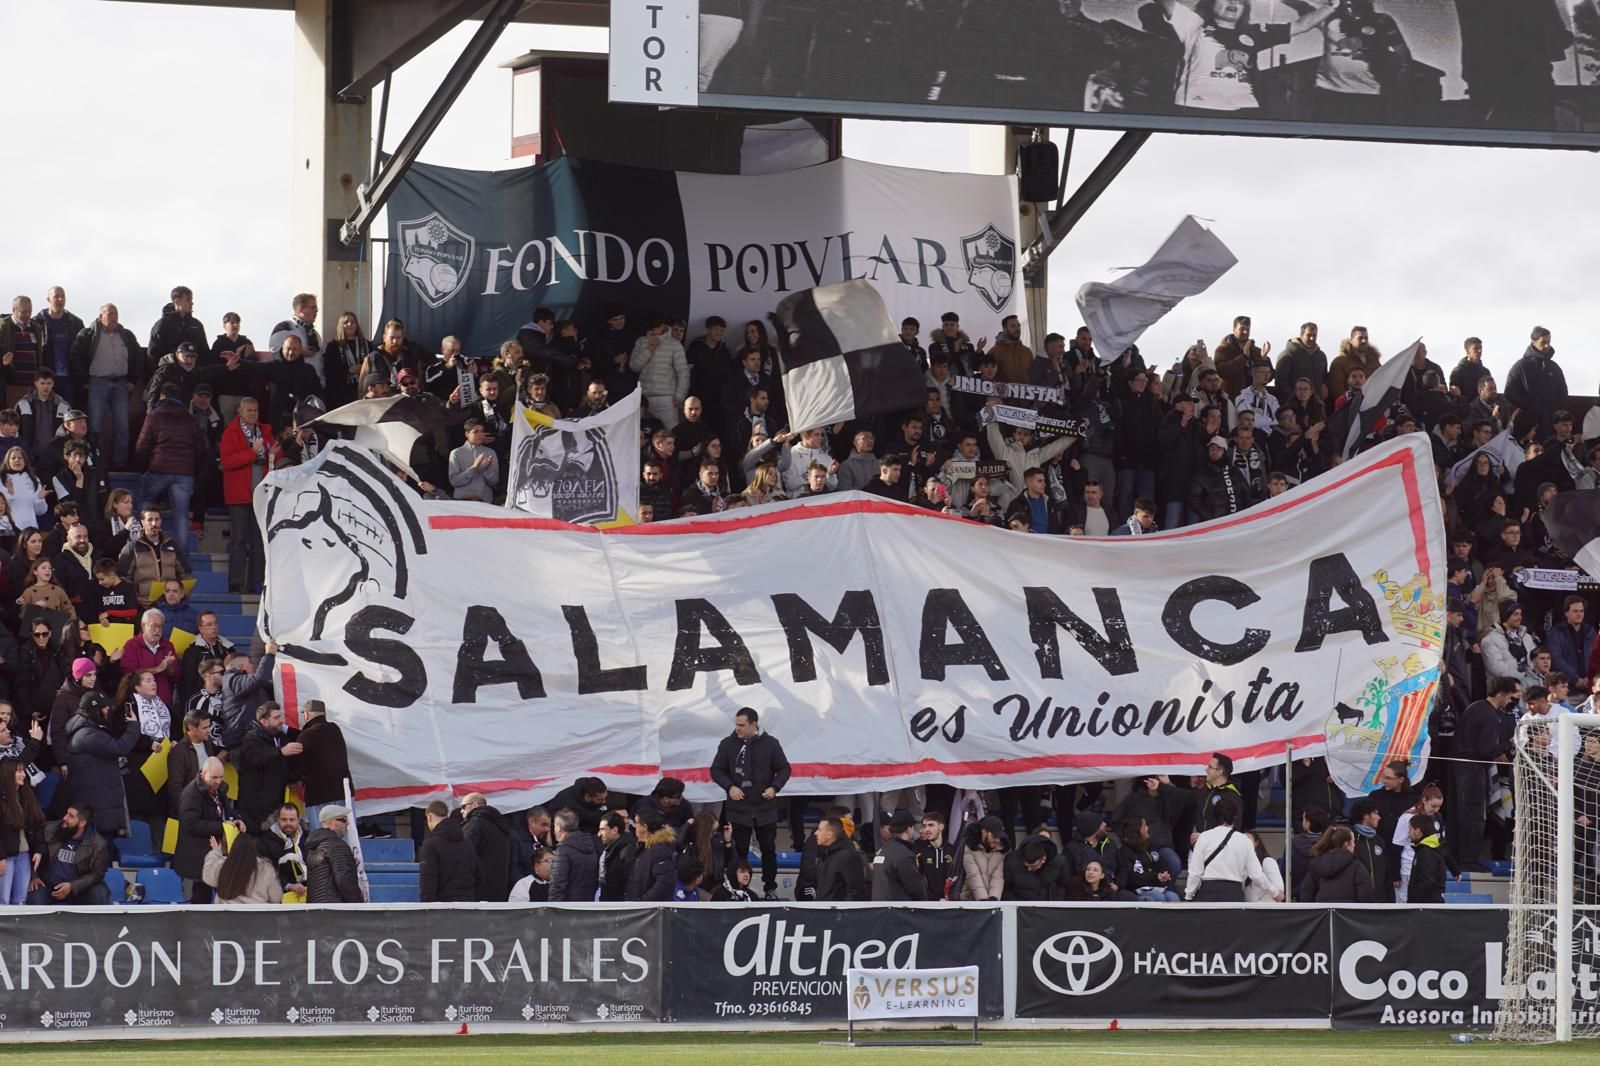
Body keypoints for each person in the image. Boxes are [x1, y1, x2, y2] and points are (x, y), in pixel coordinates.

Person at [709, 707, 790, 900]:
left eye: (742, 725)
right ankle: (737, 889)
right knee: (739, 852)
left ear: (754, 724)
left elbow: (785, 768)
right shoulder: (727, 744)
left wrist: (775, 787)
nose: (738, 729)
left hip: (765, 808)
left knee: (769, 851)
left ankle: (770, 888)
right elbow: (716, 770)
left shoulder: (770, 744)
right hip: (739, 809)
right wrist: (730, 787)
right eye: (736, 725)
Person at [1453, 676, 1519, 871]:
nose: (1509, 702)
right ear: (1500, 694)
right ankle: (1468, 860)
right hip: (1472, 771)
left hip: (1462, 769)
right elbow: (1487, 750)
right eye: (1508, 697)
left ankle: (1464, 857)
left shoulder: (1475, 707)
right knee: (1474, 815)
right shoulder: (1489, 715)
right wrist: (1510, 742)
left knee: (1466, 813)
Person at [218, 396, 277, 594]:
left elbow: (274, 455)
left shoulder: (264, 431)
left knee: (258, 540)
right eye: (249, 410)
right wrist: (252, 452)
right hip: (239, 494)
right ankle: (235, 583)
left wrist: (275, 453)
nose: (253, 414)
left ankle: (256, 583)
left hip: (260, 492)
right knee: (239, 539)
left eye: (255, 410)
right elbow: (227, 462)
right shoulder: (231, 432)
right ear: (240, 413)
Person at [64, 690, 140, 838]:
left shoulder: (89, 731)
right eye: (104, 708)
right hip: (98, 807)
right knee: (101, 853)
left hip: (100, 803)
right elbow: (120, 748)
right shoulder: (88, 734)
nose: (108, 711)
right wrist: (133, 726)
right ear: (94, 710)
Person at [175, 756, 240, 904]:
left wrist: (236, 819)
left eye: (221, 777)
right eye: (214, 777)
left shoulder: (218, 788)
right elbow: (191, 824)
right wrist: (222, 827)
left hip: (214, 851)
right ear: (203, 774)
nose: (218, 781)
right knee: (201, 897)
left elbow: (225, 811)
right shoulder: (191, 794)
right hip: (197, 855)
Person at [1185, 795, 1274, 901]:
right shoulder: (1244, 840)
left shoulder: (1204, 837)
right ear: (1235, 817)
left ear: (1214, 816)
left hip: (1208, 894)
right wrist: (1274, 892)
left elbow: (1195, 872)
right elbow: (1256, 874)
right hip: (1233, 894)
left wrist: (1188, 896)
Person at [27, 802, 112, 905]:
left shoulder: (98, 844)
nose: (65, 818)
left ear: (82, 823)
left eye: (71, 816)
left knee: (100, 893)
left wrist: (72, 886)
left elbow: (97, 874)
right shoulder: (49, 829)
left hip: (80, 889)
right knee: (35, 895)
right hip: (48, 885)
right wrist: (34, 876)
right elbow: (32, 851)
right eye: (66, 813)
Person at [236, 701, 302, 833]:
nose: (281, 721)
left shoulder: (282, 738)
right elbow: (255, 758)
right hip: (255, 805)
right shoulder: (251, 738)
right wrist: (280, 751)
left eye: (281, 717)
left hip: (275, 803)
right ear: (264, 722)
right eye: (276, 718)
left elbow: (283, 766)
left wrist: (294, 780)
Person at [296, 700, 351, 829]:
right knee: (344, 836)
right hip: (342, 793)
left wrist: (294, 780)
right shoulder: (335, 729)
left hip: (318, 794)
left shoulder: (306, 735)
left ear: (307, 715)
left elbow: (298, 765)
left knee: (322, 839)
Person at [0, 757, 45, 905]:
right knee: (3, 900)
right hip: (5, 855)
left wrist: (38, 849)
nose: (23, 774)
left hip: (24, 854)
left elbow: (37, 823)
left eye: (23, 771)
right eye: (19, 771)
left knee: (20, 900)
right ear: (8, 773)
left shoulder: (27, 795)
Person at [419, 799, 481, 903]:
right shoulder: (467, 842)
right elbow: (479, 875)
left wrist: (427, 907)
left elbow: (428, 881)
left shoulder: (430, 845)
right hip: (468, 903)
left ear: (429, 816)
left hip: (442, 907)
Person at [202, 826, 282, 905]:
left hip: (226, 915)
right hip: (256, 915)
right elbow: (276, 897)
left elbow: (208, 877)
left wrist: (217, 850)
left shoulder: (224, 864)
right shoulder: (266, 868)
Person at [459, 791, 514, 902]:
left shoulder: (474, 824)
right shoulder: (502, 827)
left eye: (464, 807)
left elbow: (463, 855)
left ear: (475, 805)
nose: (461, 811)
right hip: (499, 890)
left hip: (477, 892)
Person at [1300, 825, 1376, 903]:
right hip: (1348, 914)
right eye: (1353, 841)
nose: (1354, 845)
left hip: (1323, 914)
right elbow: (1366, 897)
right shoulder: (1357, 867)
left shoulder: (1317, 864)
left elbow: (1306, 894)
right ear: (1346, 844)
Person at [303, 805, 362, 903]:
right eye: (343, 819)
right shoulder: (337, 846)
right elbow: (344, 880)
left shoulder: (314, 846)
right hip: (335, 910)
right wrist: (358, 904)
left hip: (316, 909)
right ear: (331, 822)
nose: (347, 823)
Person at [1117, 818, 1180, 902]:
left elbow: (1162, 864)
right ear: (1137, 830)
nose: (1147, 828)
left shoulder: (1150, 847)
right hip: (1136, 891)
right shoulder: (1125, 851)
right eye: (1144, 826)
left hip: (1156, 887)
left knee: (1173, 897)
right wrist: (1155, 876)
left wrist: (1164, 874)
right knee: (1159, 897)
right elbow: (1132, 878)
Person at [870, 811, 928, 901]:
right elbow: (916, 888)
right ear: (909, 829)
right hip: (898, 912)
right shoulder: (903, 854)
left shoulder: (883, 850)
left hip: (882, 909)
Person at [625, 808, 678, 902]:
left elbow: (665, 883)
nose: (635, 827)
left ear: (644, 827)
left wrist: (643, 902)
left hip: (648, 912)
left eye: (636, 823)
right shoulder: (644, 849)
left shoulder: (660, 851)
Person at [548, 807, 600, 902]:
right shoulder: (593, 845)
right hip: (590, 907)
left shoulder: (562, 851)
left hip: (569, 910)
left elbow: (557, 885)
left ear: (559, 827)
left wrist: (553, 911)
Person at [813, 814, 868, 902]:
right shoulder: (825, 856)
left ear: (829, 834)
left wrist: (842, 914)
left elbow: (856, 892)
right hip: (823, 912)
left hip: (838, 914)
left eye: (819, 830)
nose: (816, 833)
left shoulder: (849, 857)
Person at [1002, 831, 1070, 901]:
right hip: (1020, 908)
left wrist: (1054, 903)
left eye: (1032, 866)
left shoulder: (1060, 862)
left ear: (1043, 859)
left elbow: (1063, 886)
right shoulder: (1011, 860)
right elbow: (1006, 889)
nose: (1029, 869)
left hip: (1049, 908)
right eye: (1026, 866)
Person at [1405, 812, 1451, 904]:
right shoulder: (1426, 850)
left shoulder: (1427, 853)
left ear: (1417, 831)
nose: (1408, 832)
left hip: (1426, 909)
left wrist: (1413, 903)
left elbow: (1426, 882)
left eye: (1410, 829)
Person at [960, 815, 1008, 901]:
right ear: (984, 832)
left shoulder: (1000, 851)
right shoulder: (969, 848)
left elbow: (998, 877)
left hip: (989, 903)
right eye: (994, 836)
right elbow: (973, 876)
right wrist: (983, 901)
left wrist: (994, 898)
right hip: (969, 900)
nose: (997, 840)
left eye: (999, 837)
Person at [596, 810, 638, 902]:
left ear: (614, 830)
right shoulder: (612, 850)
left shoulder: (627, 853)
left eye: (602, 829)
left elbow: (629, 886)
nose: (599, 834)